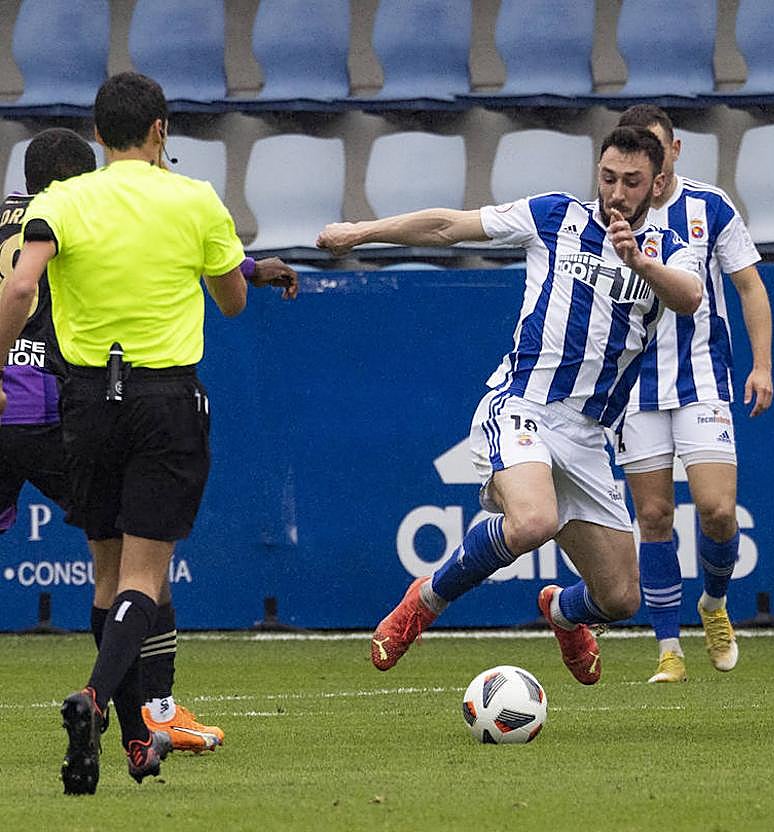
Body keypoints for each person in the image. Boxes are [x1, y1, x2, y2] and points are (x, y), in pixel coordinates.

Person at [316, 126, 702, 687]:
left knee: (619, 598)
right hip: (524, 405)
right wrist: (361, 232)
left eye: (632, 182)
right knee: (534, 521)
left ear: (658, 183)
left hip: (591, 436)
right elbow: (450, 225)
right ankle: (424, 601)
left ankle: (564, 612)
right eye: (608, 177)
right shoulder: (553, 216)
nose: (616, 193)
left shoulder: (669, 247)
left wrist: (638, 263)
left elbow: (688, 296)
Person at [0, 73, 298, 795]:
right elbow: (230, 299)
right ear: (160, 130)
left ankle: (135, 739)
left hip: (83, 403)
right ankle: (101, 701)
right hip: (164, 399)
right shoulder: (193, 199)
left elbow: (19, 287)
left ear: (98, 135)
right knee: (144, 576)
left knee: (106, 574)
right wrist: (235, 272)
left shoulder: (62, 200)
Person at [612, 105, 773, 684]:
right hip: (633, 387)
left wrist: (762, 365)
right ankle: (668, 648)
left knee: (717, 510)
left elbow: (750, 286)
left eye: (655, 154)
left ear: (671, 153)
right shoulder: (605, 218)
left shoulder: (709, 207)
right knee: (653, 515)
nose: (644, 171)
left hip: (702, 376)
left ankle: (714, 602)